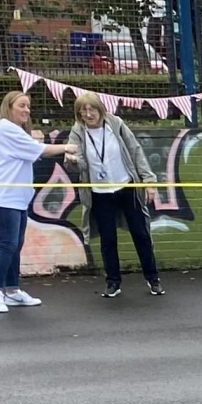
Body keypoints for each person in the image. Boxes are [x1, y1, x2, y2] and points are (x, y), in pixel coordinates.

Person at [63, 91, 165, 300]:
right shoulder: (77, 132)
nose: (88, 114)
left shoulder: (115, 124)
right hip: (99, 193)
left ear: (100, 110)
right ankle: (113, 282)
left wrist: (149, 181)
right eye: (83, 111)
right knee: (107, 239)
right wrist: (72, 161)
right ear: (79, 114)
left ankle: (152, 278)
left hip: (126, 186)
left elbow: (135, 150)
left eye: (92, 109)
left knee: (141, 233)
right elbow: (78, 165)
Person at [0, 89, 69, 316]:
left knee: (15, 244)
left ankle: (12, 290)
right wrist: (68, 147)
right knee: (8, 243)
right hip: (2, 196)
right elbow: (41, 150)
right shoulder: (7, 129)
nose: (26, 111)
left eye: (28, 107)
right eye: (21, 106)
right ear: (9, 107)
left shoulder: (8, 129)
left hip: (15, 197)